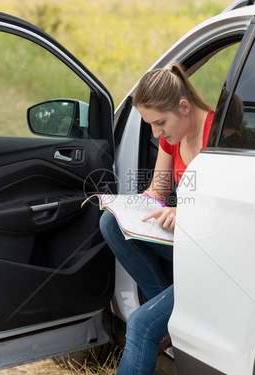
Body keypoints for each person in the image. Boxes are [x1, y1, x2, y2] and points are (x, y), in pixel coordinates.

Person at [99, 62, 214, 375]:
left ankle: (160, 321)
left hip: (213, 256)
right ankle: (168, 316)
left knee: (140, 323)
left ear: (184, 107)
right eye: (150, 124)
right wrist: (125, 207)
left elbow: (222, 211)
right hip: (186, 243)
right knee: (110, 223)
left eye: (160, 122)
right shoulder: (172, 136)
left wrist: (184, 211)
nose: (156, 133)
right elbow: (158, 191)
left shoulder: (215, 136)